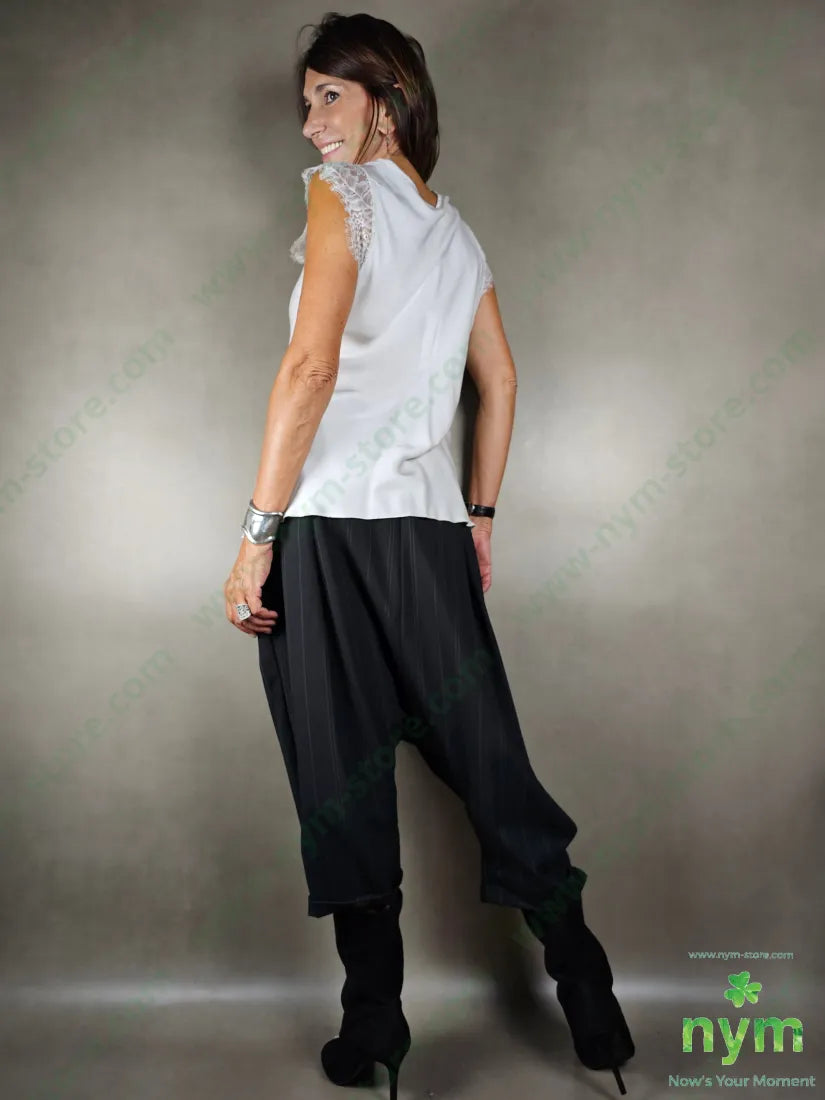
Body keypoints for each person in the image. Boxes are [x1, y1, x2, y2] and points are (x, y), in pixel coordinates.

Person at [222, 12, 635, 1100]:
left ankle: (375, 1029)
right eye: (306, 101)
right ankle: (588, 990)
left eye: (331, 96)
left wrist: (256, 535)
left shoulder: (340, 197)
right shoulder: (457, 234)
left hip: (327, 532)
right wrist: (479, 513)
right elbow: (501, 380)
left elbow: (309, 368)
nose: (311, 123)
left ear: (390, 96)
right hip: (428, 533)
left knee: (341, 773)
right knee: (489, 762)